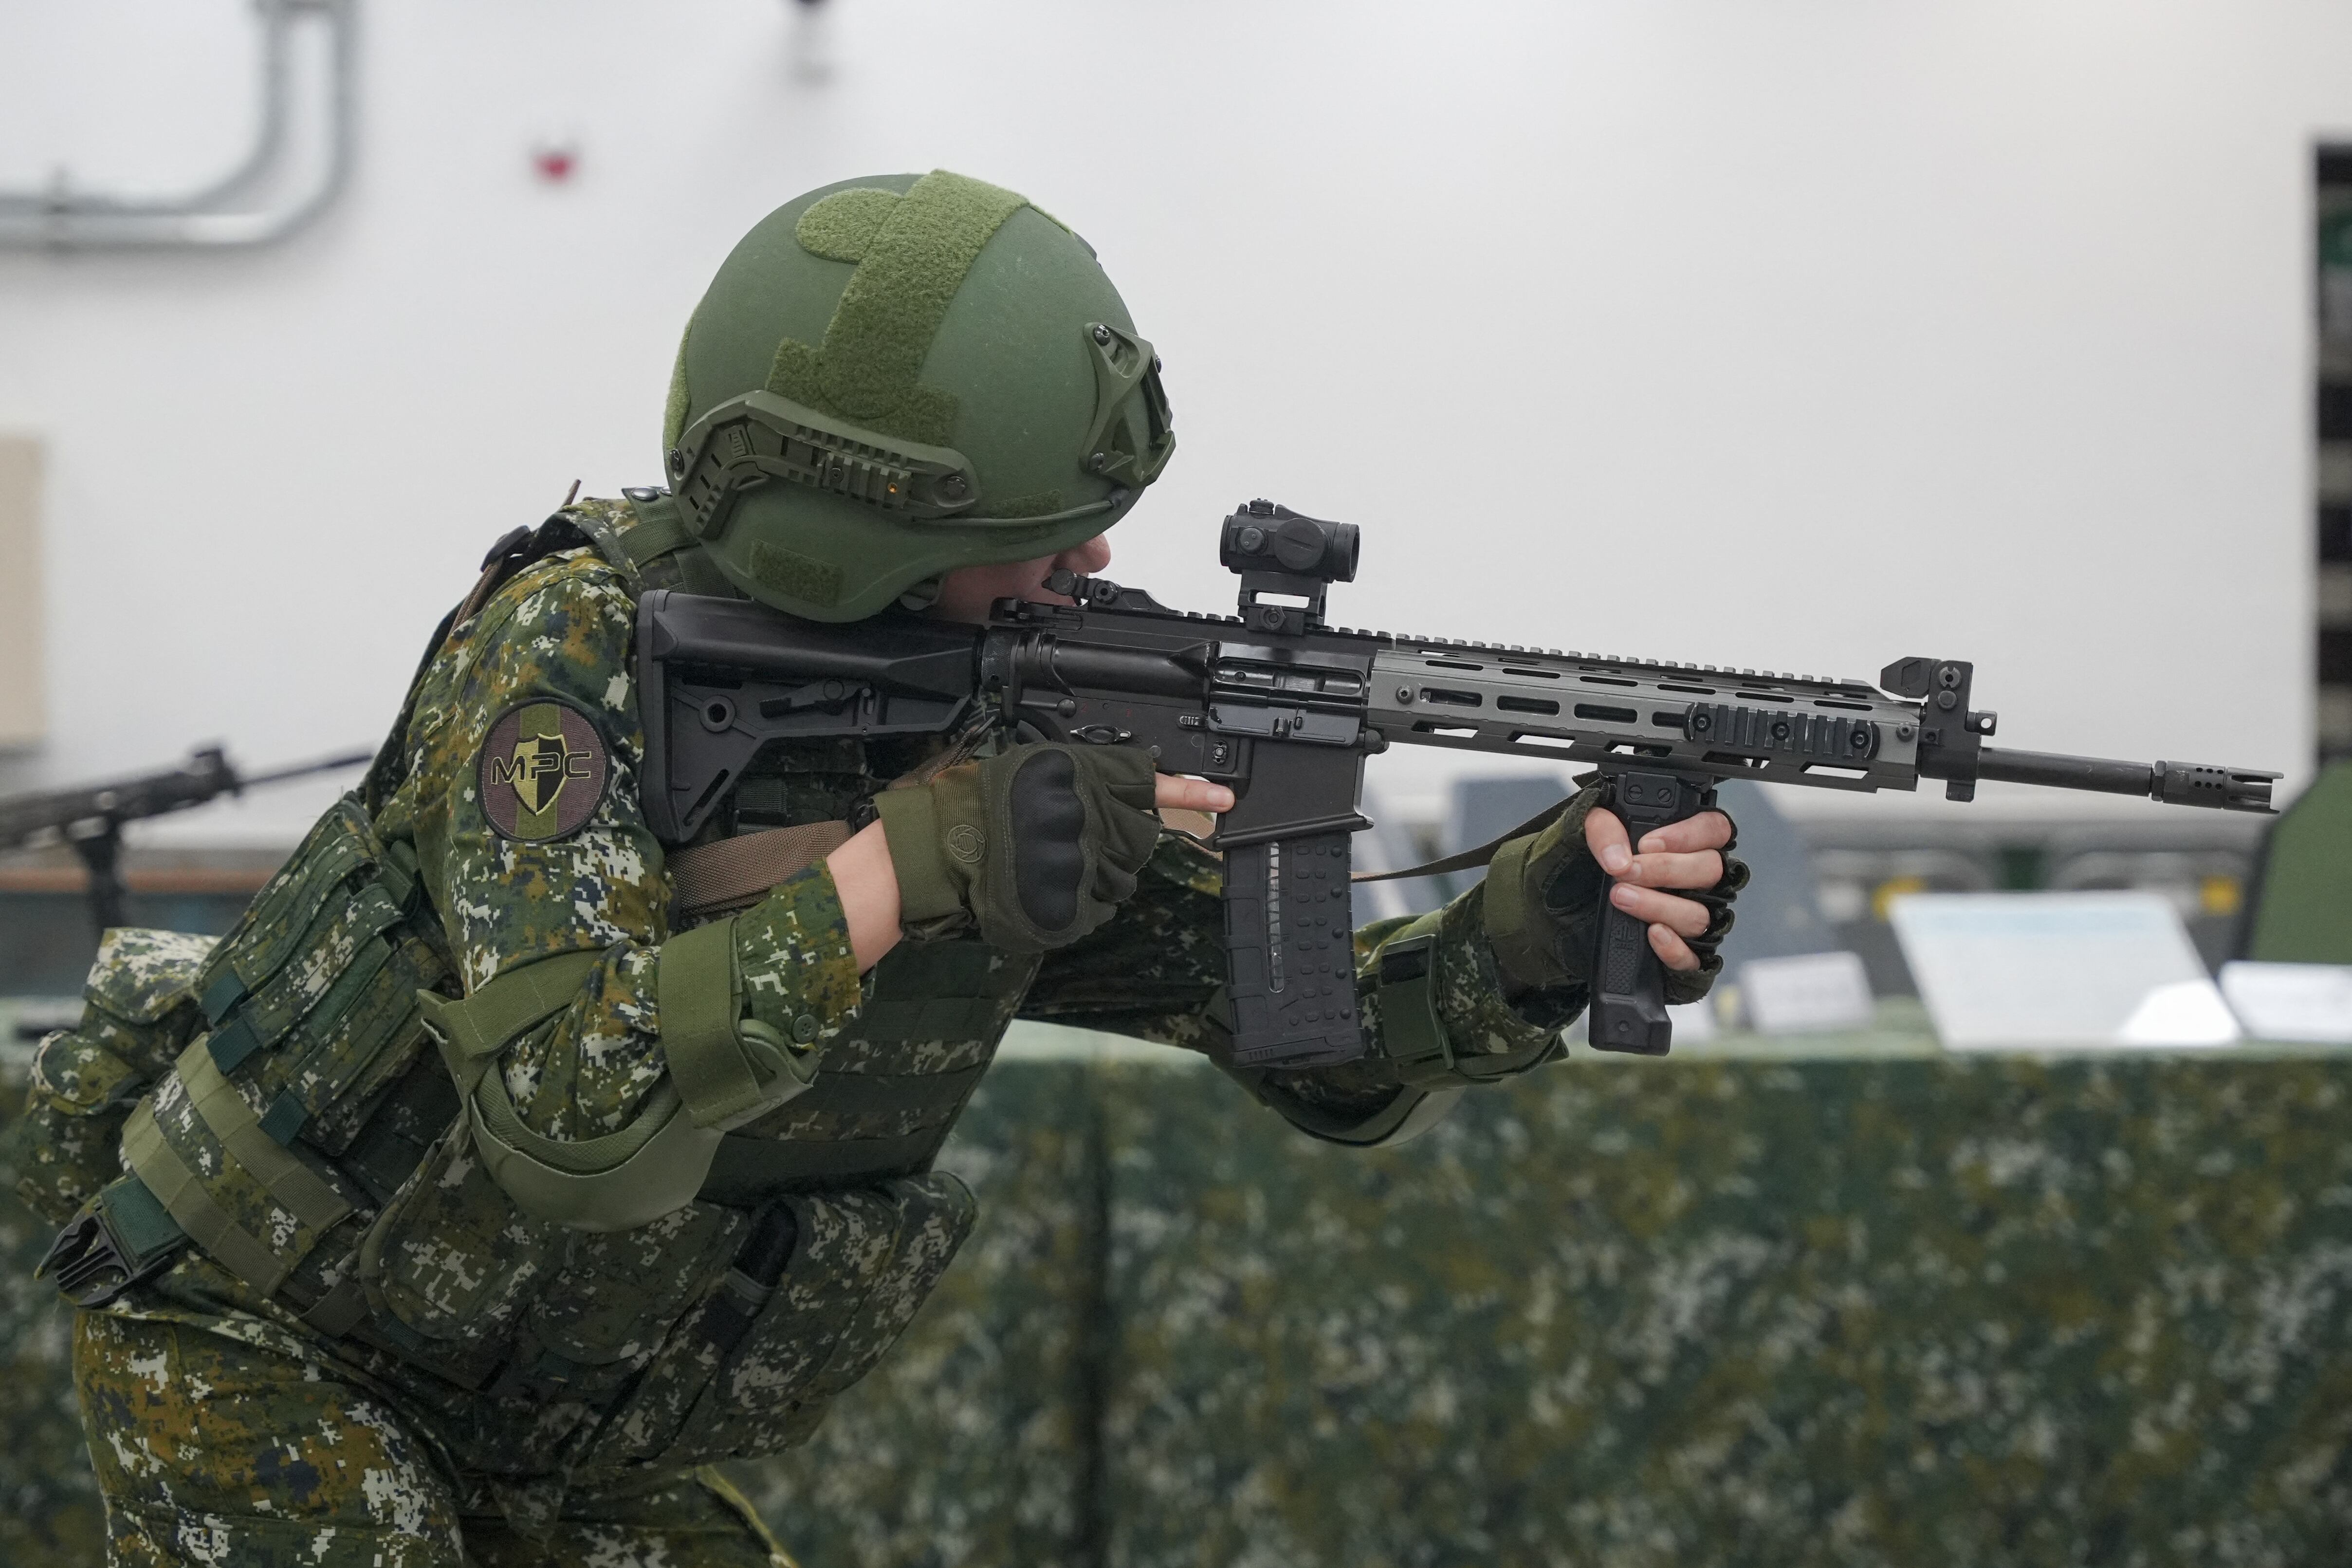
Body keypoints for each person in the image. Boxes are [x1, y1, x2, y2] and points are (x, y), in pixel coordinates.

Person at [24, 170, 1743, 1567]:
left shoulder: (1014, 701)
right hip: (283, 1339)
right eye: (1031, 539)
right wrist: (909, 864)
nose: (1094, 557)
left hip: (559, 1417)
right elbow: (568, 1114)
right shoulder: (571, 646)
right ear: (857, 534)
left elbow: (1314, 1034)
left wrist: (1538, 924)